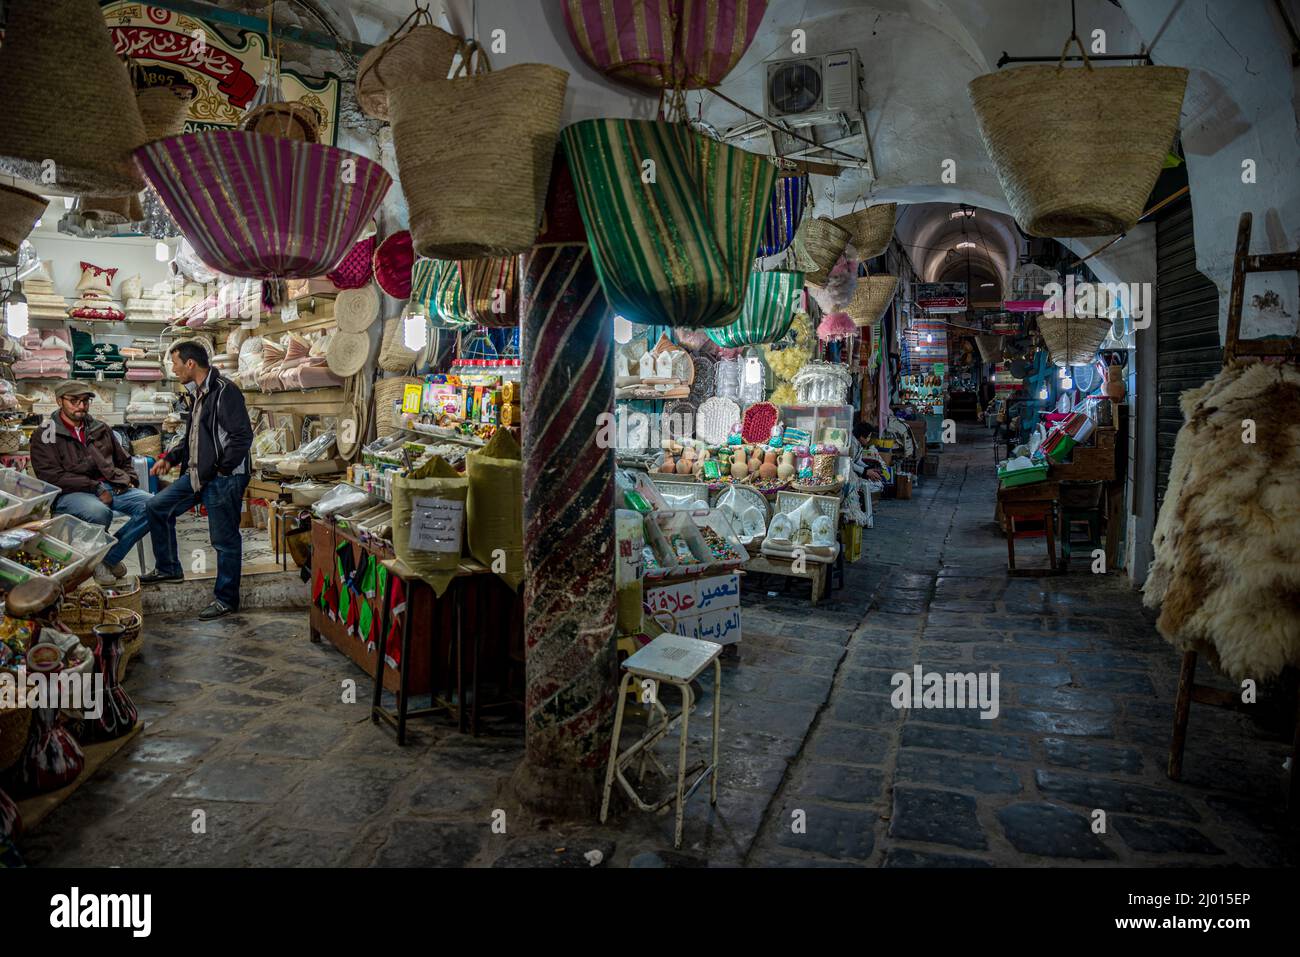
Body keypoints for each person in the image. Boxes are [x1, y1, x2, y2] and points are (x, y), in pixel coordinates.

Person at [143, 341, 253, 620]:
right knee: (157, 507)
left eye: (175, 363)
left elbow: (241, 438)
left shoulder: (225, 392)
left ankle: (226, 599)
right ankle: (168, 567)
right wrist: (170, 457)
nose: (174, 369)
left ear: (190, 363)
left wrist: (221, 469)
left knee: (224, 540)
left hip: (221, 479)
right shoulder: (198, 394)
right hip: (197, 475)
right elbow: (194, 437)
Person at [29, 379, 161, 585]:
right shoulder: (46, 433)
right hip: (70, 493)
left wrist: (128, 479)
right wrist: (95, 487)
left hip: (110, 486)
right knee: (98, 512)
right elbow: (51, 476)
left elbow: (125, 460)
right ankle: (101, 559)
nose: (81, 406)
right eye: (74, 401)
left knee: (154, 505)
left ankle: (107, 557)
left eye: (85, 401)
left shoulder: (100, 428)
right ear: (59, 401)